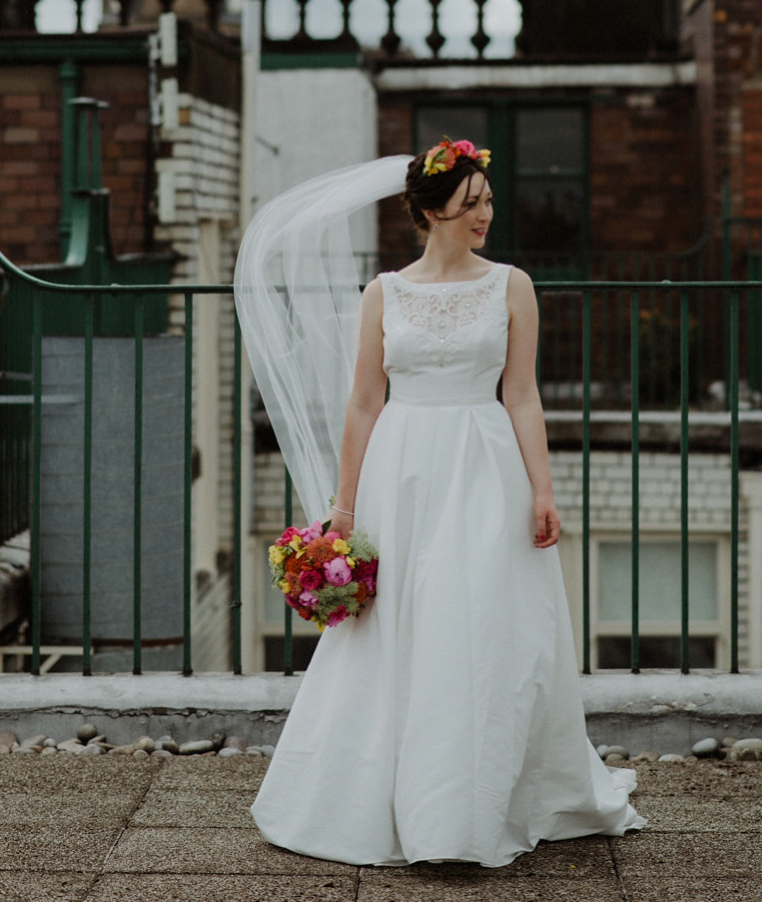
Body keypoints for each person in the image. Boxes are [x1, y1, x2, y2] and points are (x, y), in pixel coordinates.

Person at [243, 139, 646, 867]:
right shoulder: (384, 293)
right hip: (404, 469)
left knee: (479, 622)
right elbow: (364, 403)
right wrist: (344, 506)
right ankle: (387, 796)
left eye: (488, 200)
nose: (485, 214)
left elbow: (520, 393)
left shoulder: (512, 285)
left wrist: (543, 489)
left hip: (486, 465)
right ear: (432, 212)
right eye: (470, 204)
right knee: (403, 624)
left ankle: (465, 808)